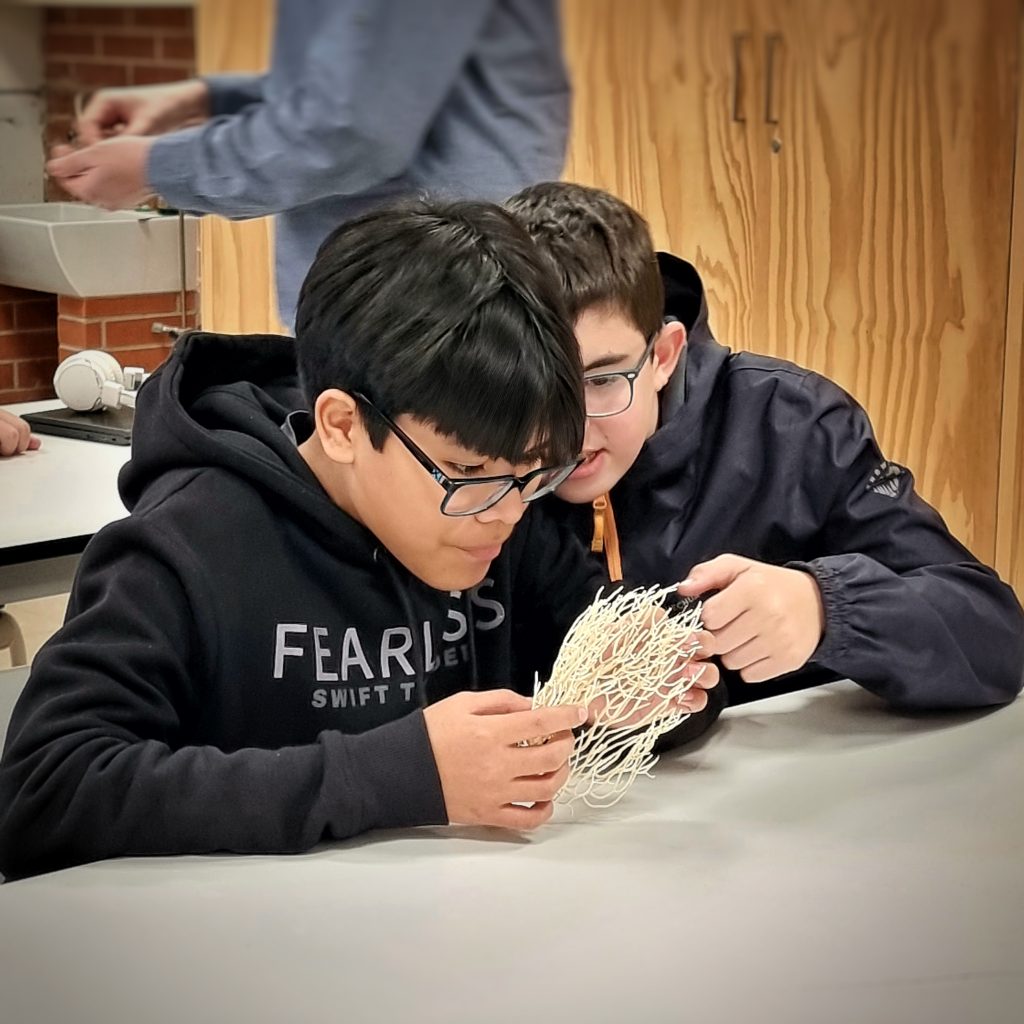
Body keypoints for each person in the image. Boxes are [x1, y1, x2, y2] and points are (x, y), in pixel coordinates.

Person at [0, 199, 717, 880]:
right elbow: (41, 792)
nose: (505, 513)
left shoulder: (505, 507)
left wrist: (655, 682)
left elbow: (622, 655)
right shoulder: (188, 548)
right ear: (343, 426)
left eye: (532, 472)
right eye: (467, 472)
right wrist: (400, 775)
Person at [506, 181, 1024, 718]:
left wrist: (827, 607)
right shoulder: (475, 462)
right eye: (534, 387)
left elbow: (995, 638)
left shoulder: (795, 425)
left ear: (663, 356)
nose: (567, 435)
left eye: (602, 380)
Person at [45, 0, 571, 328]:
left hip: (429, 321)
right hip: (411, 317)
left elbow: (354, 128)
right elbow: (360, 87)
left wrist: (156, 167)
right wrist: (203, 99)